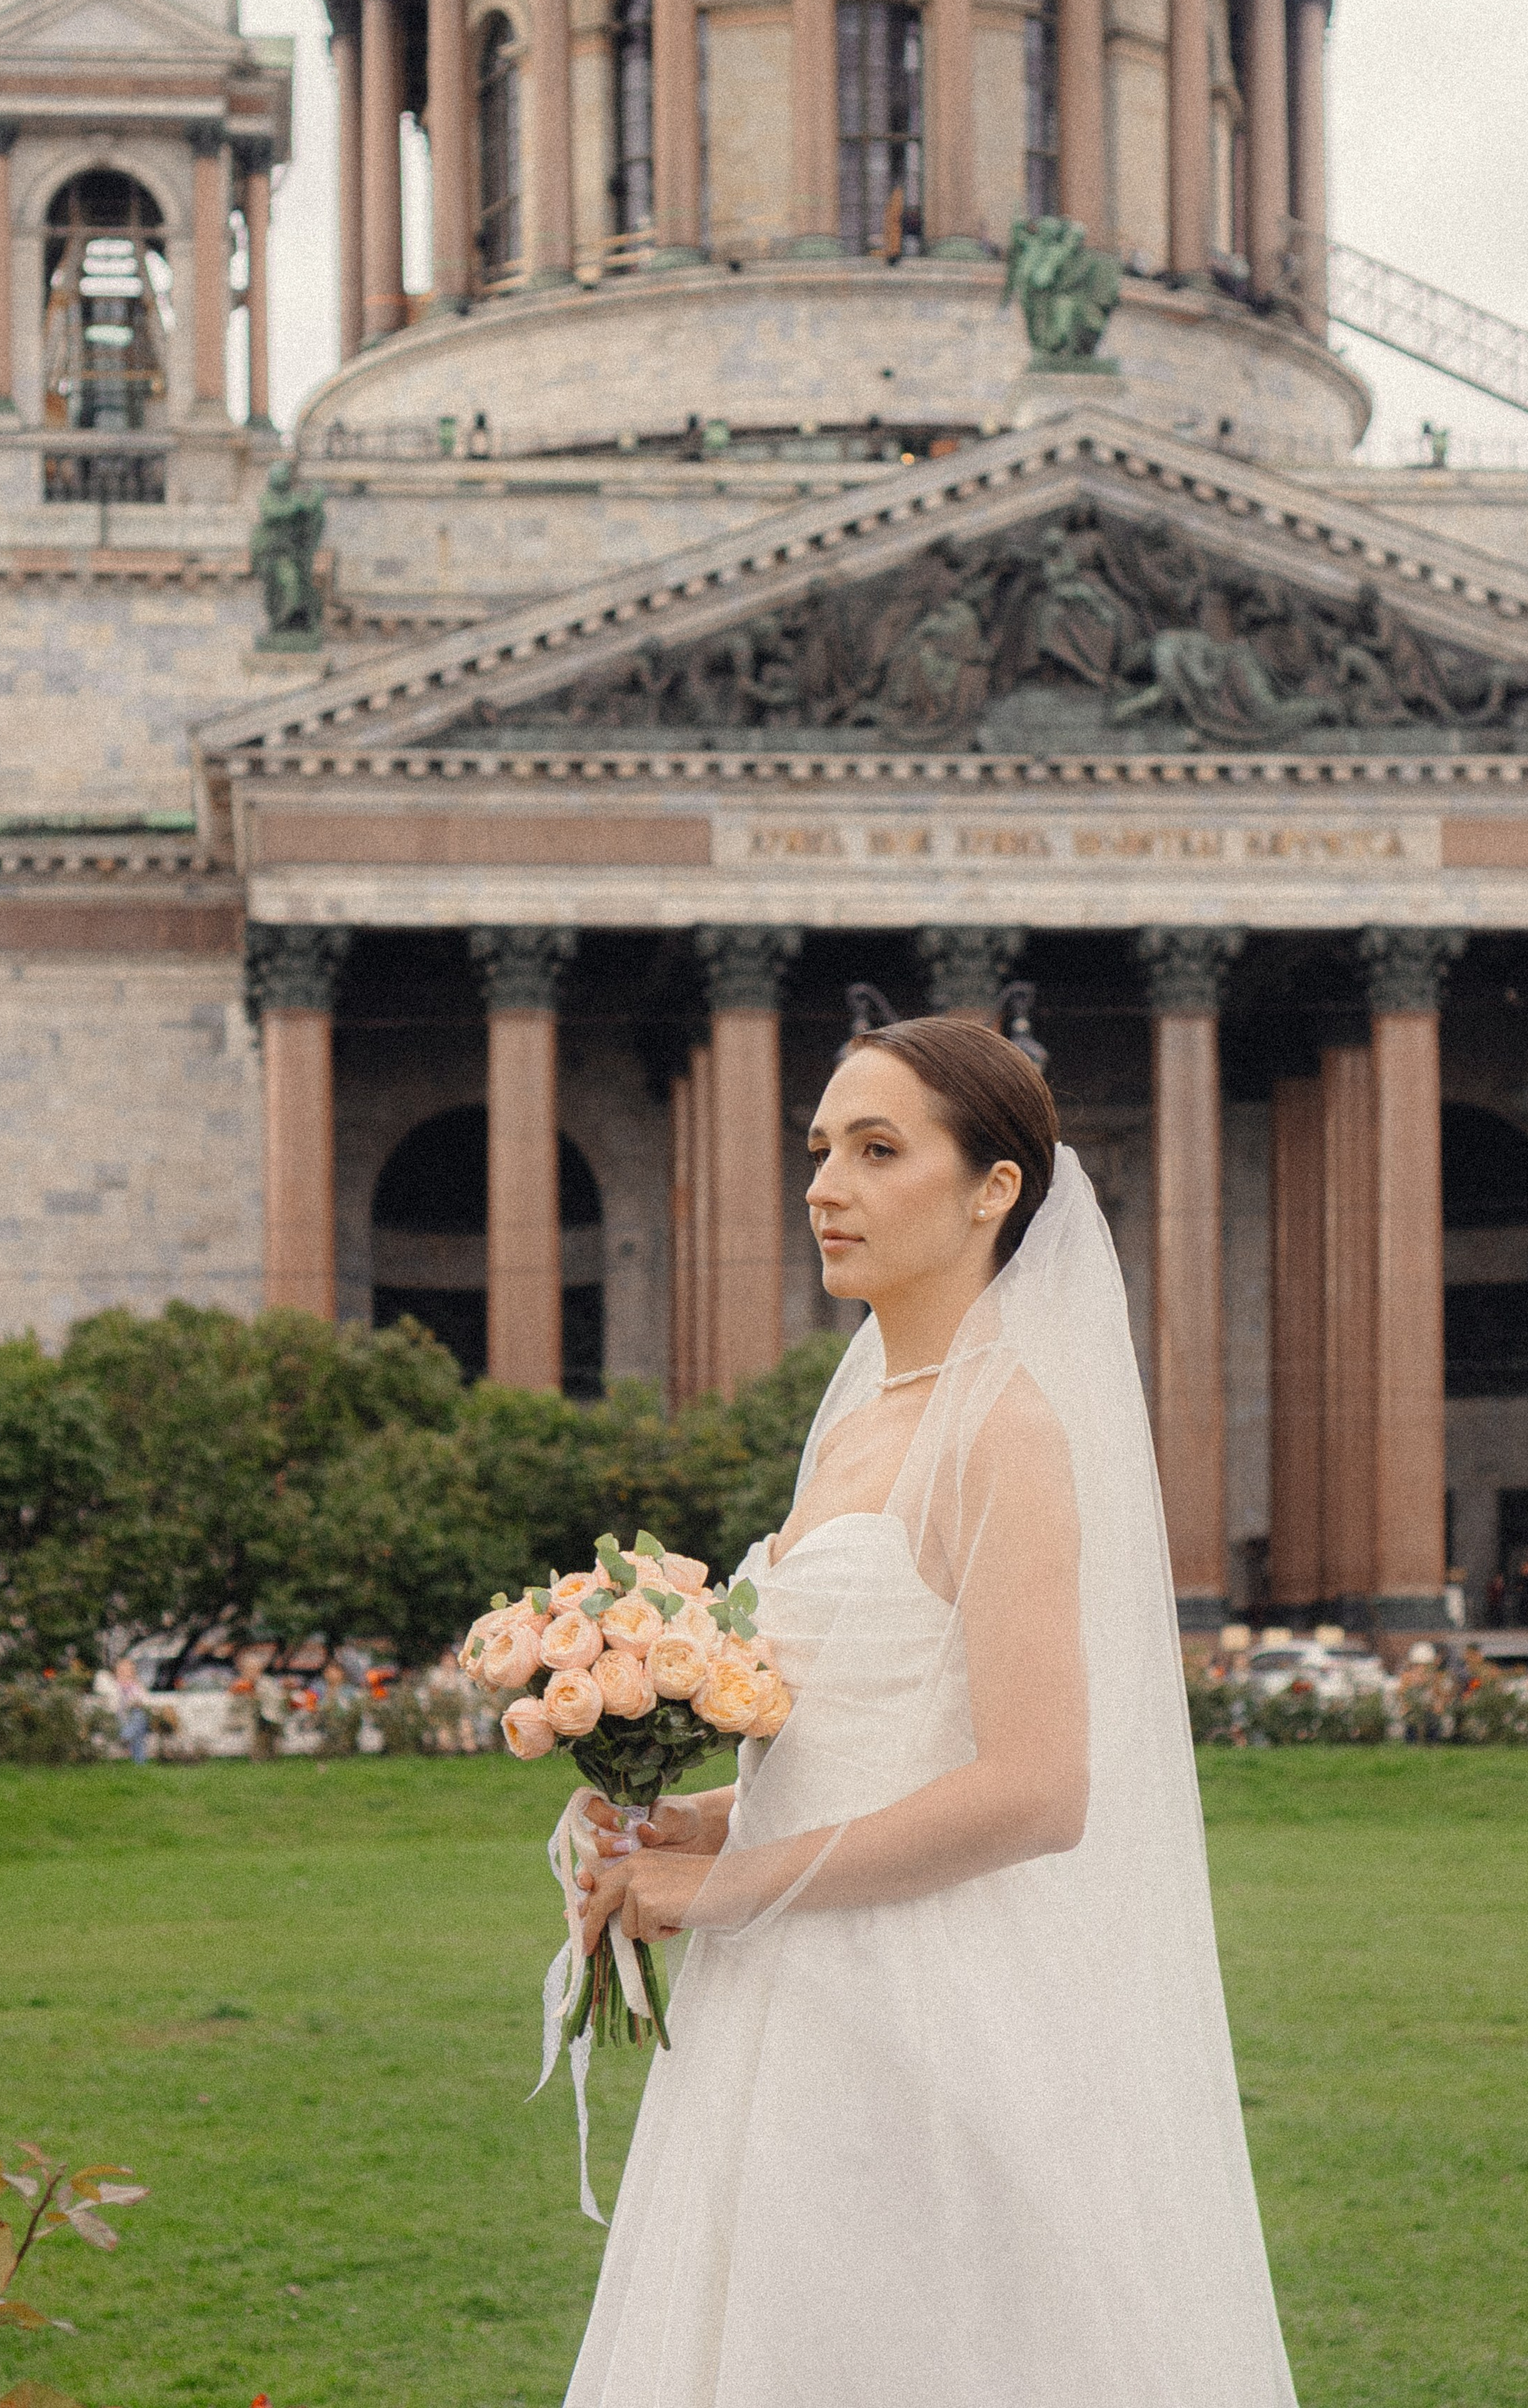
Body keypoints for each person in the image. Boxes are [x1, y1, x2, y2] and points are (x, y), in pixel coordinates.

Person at [565, 1018, 1299, 2407]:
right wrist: (685, 1823)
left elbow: (1037, 1789)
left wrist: (726, 1890)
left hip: (923, 2010)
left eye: (877, 1151)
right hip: (781, 1997)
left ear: (992, 1190)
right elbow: (864, 1739)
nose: (824, 1187)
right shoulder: (856, 1422)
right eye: (820, 1151)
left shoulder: (1010, 1429)